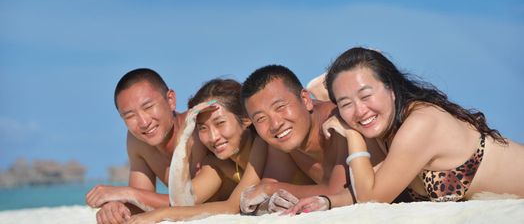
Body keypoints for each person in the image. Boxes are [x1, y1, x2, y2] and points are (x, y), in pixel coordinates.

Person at [288, 47, 524, 213]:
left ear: (391, 88)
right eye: (346, 104)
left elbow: (372, 199)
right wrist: (326, 202)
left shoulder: (421, 123)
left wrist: (352, 134)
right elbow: (373, 185)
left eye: (366, 96)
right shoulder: (388, 129)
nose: (359, 111)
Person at [124, 78, 281, 223]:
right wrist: (183, 141)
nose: (213, 137)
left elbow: (232, 207)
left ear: (246, 118)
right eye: (203, 128)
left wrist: (161, 214)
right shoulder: (215, 164)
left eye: (220, 123)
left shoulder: (261, 144)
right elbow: (182, 203)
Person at [239, 64, 387, 213]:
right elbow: (260, 195)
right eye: (260, 118)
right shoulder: (281, 137)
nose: (275, 124)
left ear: (305, 99)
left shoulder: (337, 122)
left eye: (280, 107)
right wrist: (272, 201)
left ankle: (323, 88)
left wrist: (270, 189)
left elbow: (336, 192)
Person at [86, 68, 218, 224]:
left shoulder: (198, 130)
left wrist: (125, 192)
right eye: (129, 116)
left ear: (171, 100)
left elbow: (187, 201)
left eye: (148, 107)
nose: (143, 122)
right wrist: (116, 207)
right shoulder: (137, 141)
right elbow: (142, 202)